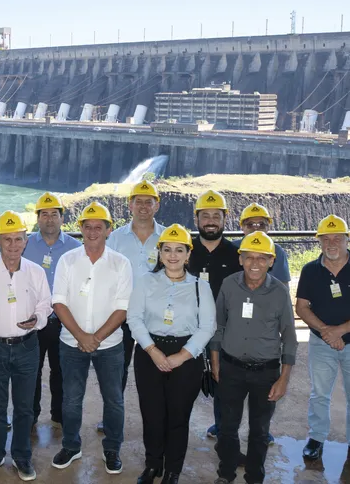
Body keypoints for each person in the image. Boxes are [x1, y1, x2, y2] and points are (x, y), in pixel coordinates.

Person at [126, 224, 215, 484]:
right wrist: (152, 351)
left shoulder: (201, 287)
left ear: (188, 254)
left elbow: (207, 327)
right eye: (167, 250)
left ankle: (173, 470)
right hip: (148, 352)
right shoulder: (145, 281)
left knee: (178, 417)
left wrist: (182, 355)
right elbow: (134, 318)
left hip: (186, 357)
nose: (173, 255)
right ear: (160, 253)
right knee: (152, 415)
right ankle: (153, 465)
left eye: (179, 250)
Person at [0, 210, 52, 481]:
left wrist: (37, 319)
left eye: (18, 239)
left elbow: (46, 304)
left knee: (25, 406)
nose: (13, 245)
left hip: (28, 347)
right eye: (7, 240)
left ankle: (22, 456)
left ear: (26, 240)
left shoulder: (36, 272)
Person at [50, 202, 134, 476]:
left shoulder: (121, 264)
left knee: (114, 400)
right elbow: (59, 303)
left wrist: (94, 338)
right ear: (80, 229)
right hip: (71, 343)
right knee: (71, 399)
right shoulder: (67, 260)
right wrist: (81, 337)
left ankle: (112, 449)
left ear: (109, 230)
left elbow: (122, 308)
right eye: (87, 227)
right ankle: (72, 446)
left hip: (110, 346)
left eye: (99, 227)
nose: (93, 232)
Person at [210, 232, 297, 484]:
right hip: (230, 368)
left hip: (266, 373)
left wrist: (283, 378)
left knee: (259, 432)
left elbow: (289, 336)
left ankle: (254, 478)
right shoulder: (228, 285)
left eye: (262, 257)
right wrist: (215, 363)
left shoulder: (279, 292)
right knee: (227, 428)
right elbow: (218, 326)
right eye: (249, 257)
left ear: (272, 261)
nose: (255, 263)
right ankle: (225, 475)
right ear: (241, 259)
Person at [296, 214, 350, 473]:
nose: (331, 242)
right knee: (319, 394)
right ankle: (316, 439)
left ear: (348, 238)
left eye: (337, 237)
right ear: (319, 241)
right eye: (326, 238)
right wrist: (326, 332)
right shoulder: (310, 270)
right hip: (321, 344)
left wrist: (340, 331)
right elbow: (301, 307)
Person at [105, 179, 165, 433]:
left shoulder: (167, 237)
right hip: (122, 315)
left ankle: (155, 418)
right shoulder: (116, 238)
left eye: (148, 202)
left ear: (156, 205)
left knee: (154, 371)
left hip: (156, 317)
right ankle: (112, 417)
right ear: (130, 205)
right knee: (117, 371)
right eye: (138, 201)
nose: (142, 206)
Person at [187, 190, 242, 441]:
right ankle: (176, 430)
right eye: (205, 215)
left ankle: (223, 430)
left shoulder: (236, 255)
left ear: (224, 219)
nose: (210, 220)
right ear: (197, 219)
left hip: (224, 329)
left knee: (225, 382)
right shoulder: (184, 250)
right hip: (187, 328)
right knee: (183, 380)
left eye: (216, 216)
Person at [22, 192, 81, 428]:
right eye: (44, 214)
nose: (49, 219)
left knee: (61, 370)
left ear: (62, 218)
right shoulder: (25, 244)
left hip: (63, 320)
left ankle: (59, 413)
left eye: (54, 214)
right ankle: (31, 413)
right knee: (31, 371)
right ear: (37, 218)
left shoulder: (75, 247)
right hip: (33, 320)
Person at [236, 203, 291, 289]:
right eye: (250, 225)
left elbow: (284, 288)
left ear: (268, 227)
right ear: (242, 227)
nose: (256, 228)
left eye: (261, 224)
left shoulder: (277, 252)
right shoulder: (232, 249)